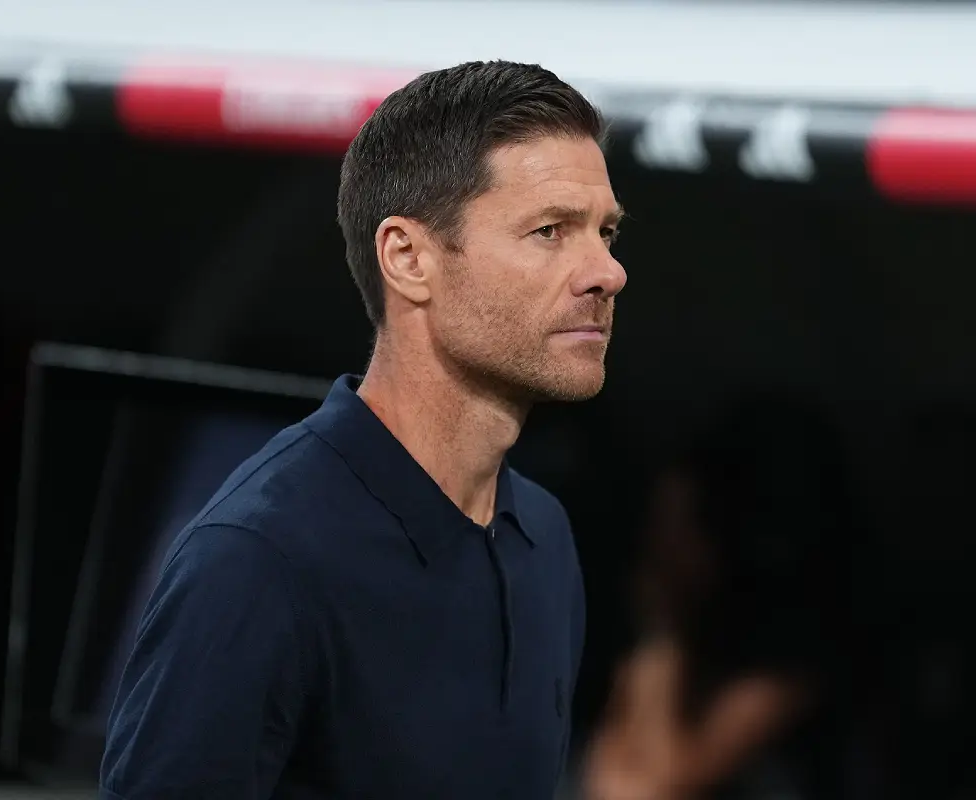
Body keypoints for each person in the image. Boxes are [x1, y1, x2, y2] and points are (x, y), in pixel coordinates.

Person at [99, 60, 626, 799]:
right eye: (550, 231)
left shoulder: (544, 535)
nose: (607, 271)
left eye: (605, 232)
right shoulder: (258, 561)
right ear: (408, 259)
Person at [584, 395, 862, 800]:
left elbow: (636, 789)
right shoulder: (684, 651)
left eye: (674, 531)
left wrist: (660, 633)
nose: (654, 552)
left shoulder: (786, 674)